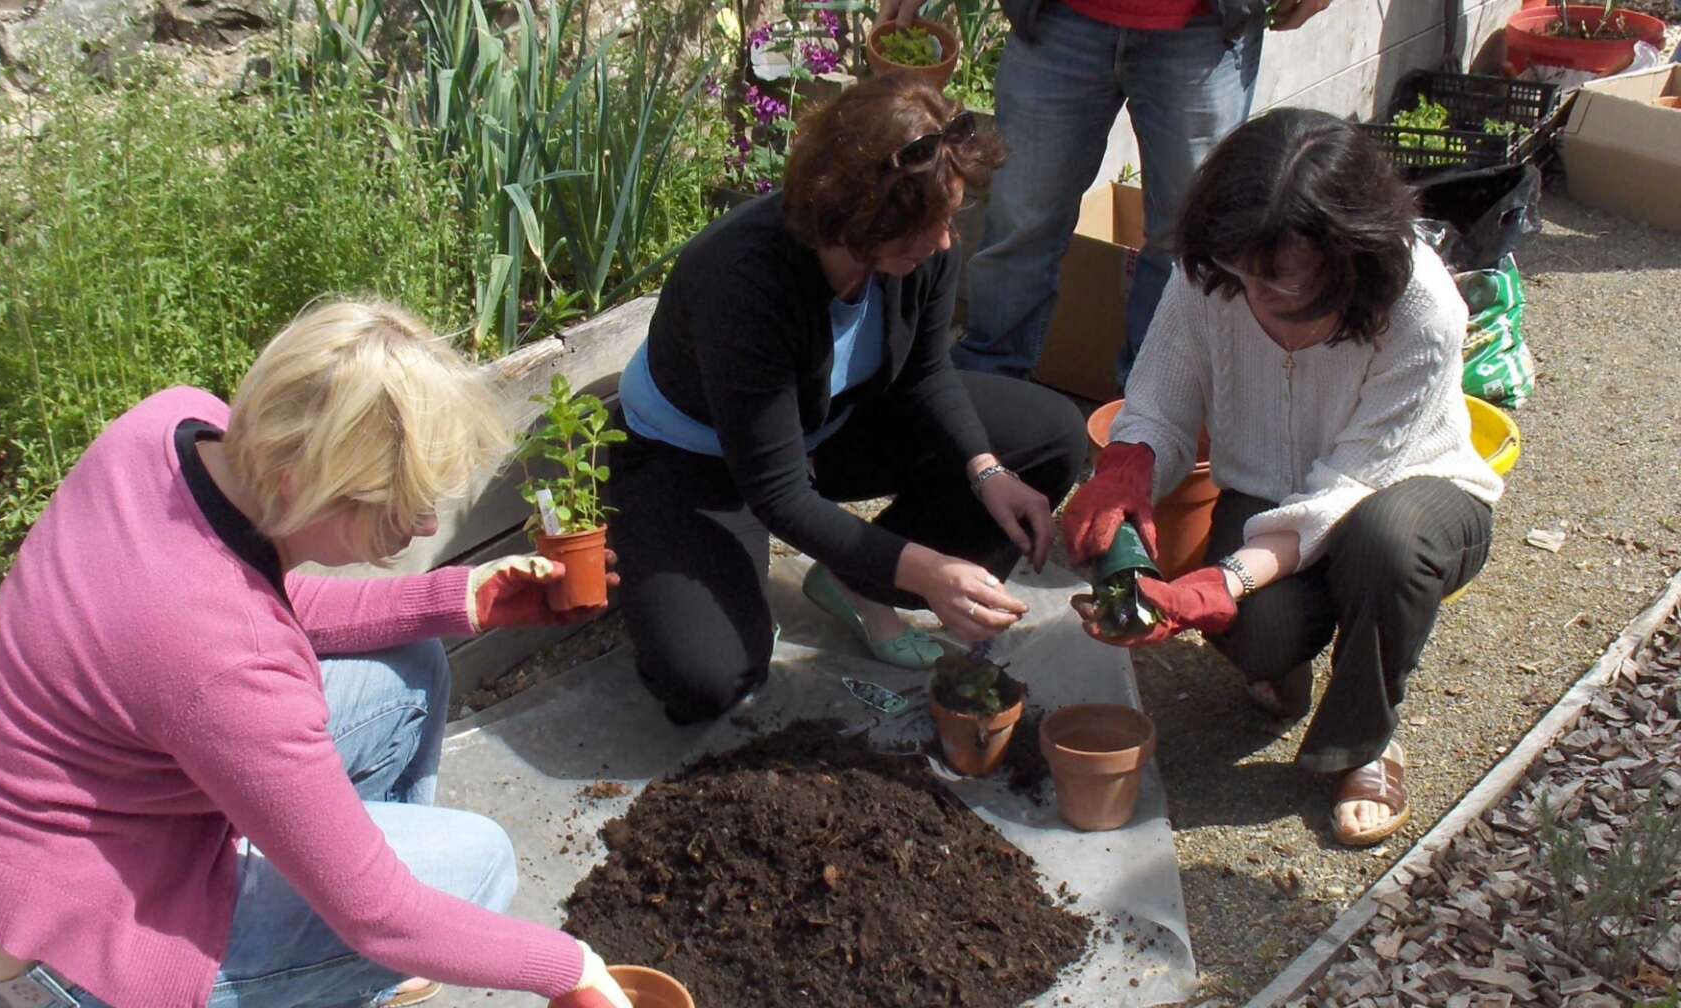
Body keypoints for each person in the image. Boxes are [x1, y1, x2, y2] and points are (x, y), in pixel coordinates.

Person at [0, 300, 648, 1008]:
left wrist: (455, 599)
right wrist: (569, 967)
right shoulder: (221, 661)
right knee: (476, 869)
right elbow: (381, 914)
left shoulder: (174, 429)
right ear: (298, 479)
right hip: (73, 956)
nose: (418, 528)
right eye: (395, 508)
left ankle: (332, 952)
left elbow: (256, 600)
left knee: (408, 666)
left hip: (46, 848)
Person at [1059, 109, 1503, 847]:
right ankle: (1286, 656)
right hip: (1268, 491)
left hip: (1407, 492)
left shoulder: (1421, 308)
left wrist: (1222, 579)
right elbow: (1162, 403)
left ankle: (1365, 742)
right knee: (1256, 635)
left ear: (1352, 256)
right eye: (1248, 279)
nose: (1262, 301)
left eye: (1291, 288)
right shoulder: (1214, 271)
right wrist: (1129, 466)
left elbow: (1345, 489)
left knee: (1384, 547)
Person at [609, 73, 1088, 724]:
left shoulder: (920, 246)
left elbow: (925, 374)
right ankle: (698, 563)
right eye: (934, 223)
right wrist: (926, 572)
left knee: (1049, 435)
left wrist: (987, 471)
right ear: (862, 221)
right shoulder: (743, 283)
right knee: (711, 679)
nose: (948, 240)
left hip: (824, 426)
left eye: (951, 216)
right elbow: (778, 494)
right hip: (695, 461)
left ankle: (853, 578)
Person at [870, 0, 1333, 387]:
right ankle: (987, 399)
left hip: (1203, 27)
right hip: (1061, 17)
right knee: (1021, 222)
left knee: (1189, 242)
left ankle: (1148, 423)